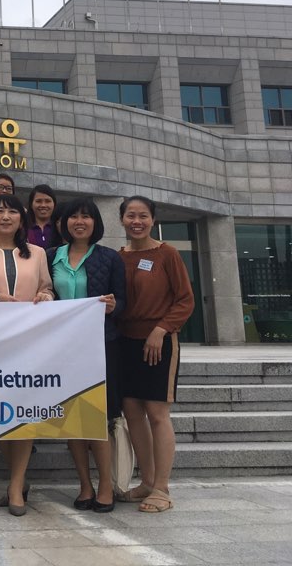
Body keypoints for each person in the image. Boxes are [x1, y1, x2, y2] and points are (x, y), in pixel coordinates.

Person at [0, 194, 54, 517]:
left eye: (12, 211)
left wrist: (45, 296)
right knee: (0, 413)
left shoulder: (38, 253)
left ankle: (16, 485)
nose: (5, 216)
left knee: (24, 411)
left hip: (29, 343)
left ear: (21, 219)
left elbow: (47, 288)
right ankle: (19, 479)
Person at [115, 196, 194, 514]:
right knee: (132, 412)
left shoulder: (167, 254)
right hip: (125, 342)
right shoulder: (118, 257)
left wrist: (161, 330)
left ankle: (162, 487)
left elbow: (185, 300)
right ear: (122, 219)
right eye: (131, 216)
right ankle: (147, 482)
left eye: (143, 216)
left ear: (153, 220)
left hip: (159, 343)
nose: (137, 221)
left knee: (157, 413)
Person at [46, 198, 125, 514]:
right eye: (73, 216)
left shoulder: (109, 257)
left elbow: (125, 301)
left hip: (100, 346)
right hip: (62, 348)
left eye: (86, 216)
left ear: (95, 222)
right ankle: (84, 485)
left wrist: (114, 306)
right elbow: (45, 291)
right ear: (63, 223)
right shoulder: (50, 256)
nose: (79, 221)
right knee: (72, 419)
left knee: (98, 418)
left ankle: (105, 485)